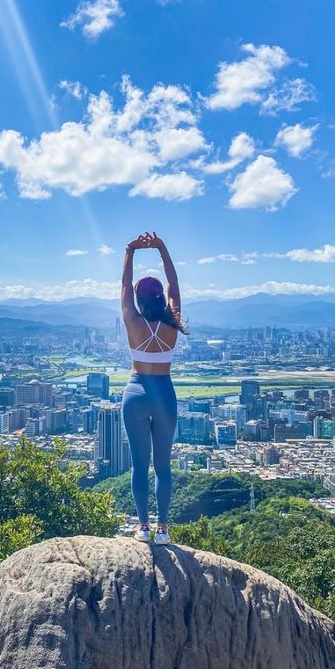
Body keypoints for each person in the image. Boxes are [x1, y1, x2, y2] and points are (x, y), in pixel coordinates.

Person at [120, 231, 188, 545]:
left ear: (138, 299)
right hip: (164, 394)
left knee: (138, 464)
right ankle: (162, 529)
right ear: (161, 298)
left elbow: (123, 285)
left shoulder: (132, 321)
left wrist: (130, 250)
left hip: (135, 393)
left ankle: (143, 527)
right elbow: (174, 284)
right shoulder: (172, 323)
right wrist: (162, 248)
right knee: (163, 466)